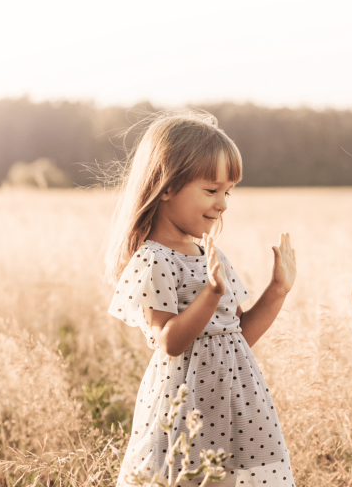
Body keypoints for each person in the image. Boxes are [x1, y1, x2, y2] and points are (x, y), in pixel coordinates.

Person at [105, 110, 297, 486]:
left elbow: (239, 334)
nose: (223, 203)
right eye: (211, 191)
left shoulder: (208, 253)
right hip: (186, 404)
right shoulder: (153, 258)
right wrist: (211, 294)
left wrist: (277, 291)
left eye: (228, 192)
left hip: (238, 400)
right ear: (167, 186)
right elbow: (170, 342)